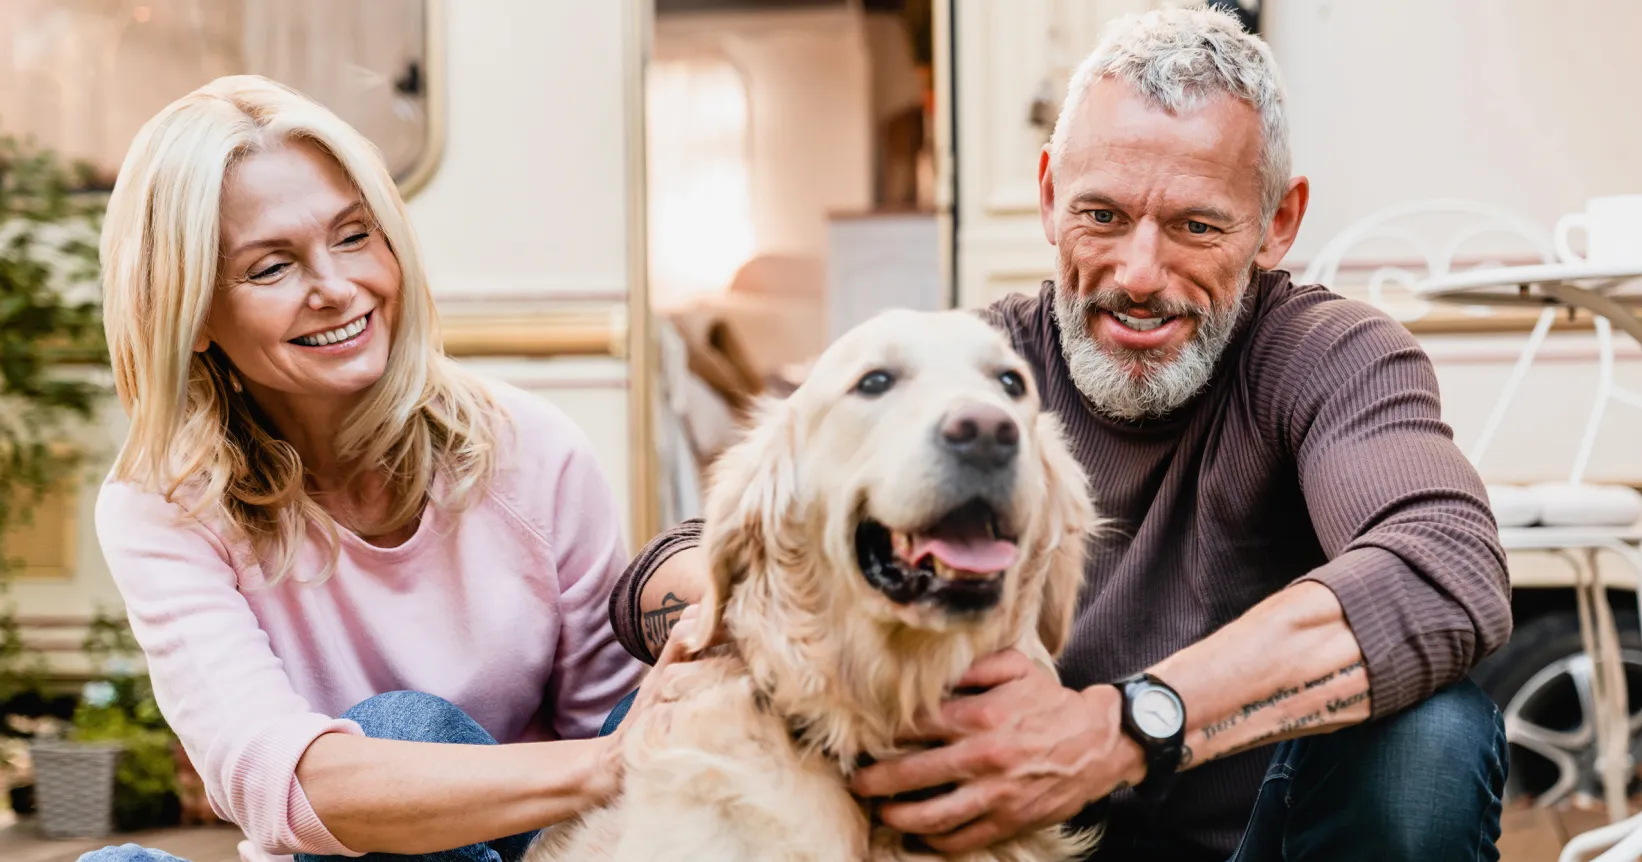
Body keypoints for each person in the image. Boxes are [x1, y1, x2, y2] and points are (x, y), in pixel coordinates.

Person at [608, 7, 1511, 861]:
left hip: (1252, 844)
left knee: (1433, 734)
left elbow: (1444, 565)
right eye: (1102, 215)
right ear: (1048, 196)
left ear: (1277, 223)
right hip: (994, 840)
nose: (1139, 273)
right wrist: (729, 613)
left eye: (1196, 226)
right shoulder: (974, 376)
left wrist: (1124, 727)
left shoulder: (1328, 355)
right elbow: (676, 557)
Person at [78, 75, 666, 862]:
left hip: (543, 845)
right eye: (271, 267)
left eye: (355, 236)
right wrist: (609, 762)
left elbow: (617, 724)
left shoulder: (532, 449)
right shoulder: (162, 503)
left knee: (404, 730)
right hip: (342, 849)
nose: (337, 288)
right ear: (188, 316)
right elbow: (279, 780)